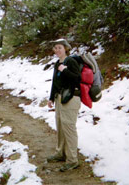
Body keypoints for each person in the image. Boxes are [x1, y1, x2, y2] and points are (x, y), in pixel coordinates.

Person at [47, 38, 81, 172]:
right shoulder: (57, 63)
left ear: (66, 48)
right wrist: (51, 98)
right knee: (60, 127)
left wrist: (65, 70)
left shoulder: (71, 61)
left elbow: (77, 79)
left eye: (59, 48)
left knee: (69, 128)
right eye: (55, 48)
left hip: (71, 98)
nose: (57, 50)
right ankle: (61, 153)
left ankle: (72, 160)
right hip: (59, 98)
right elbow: (55, 82)